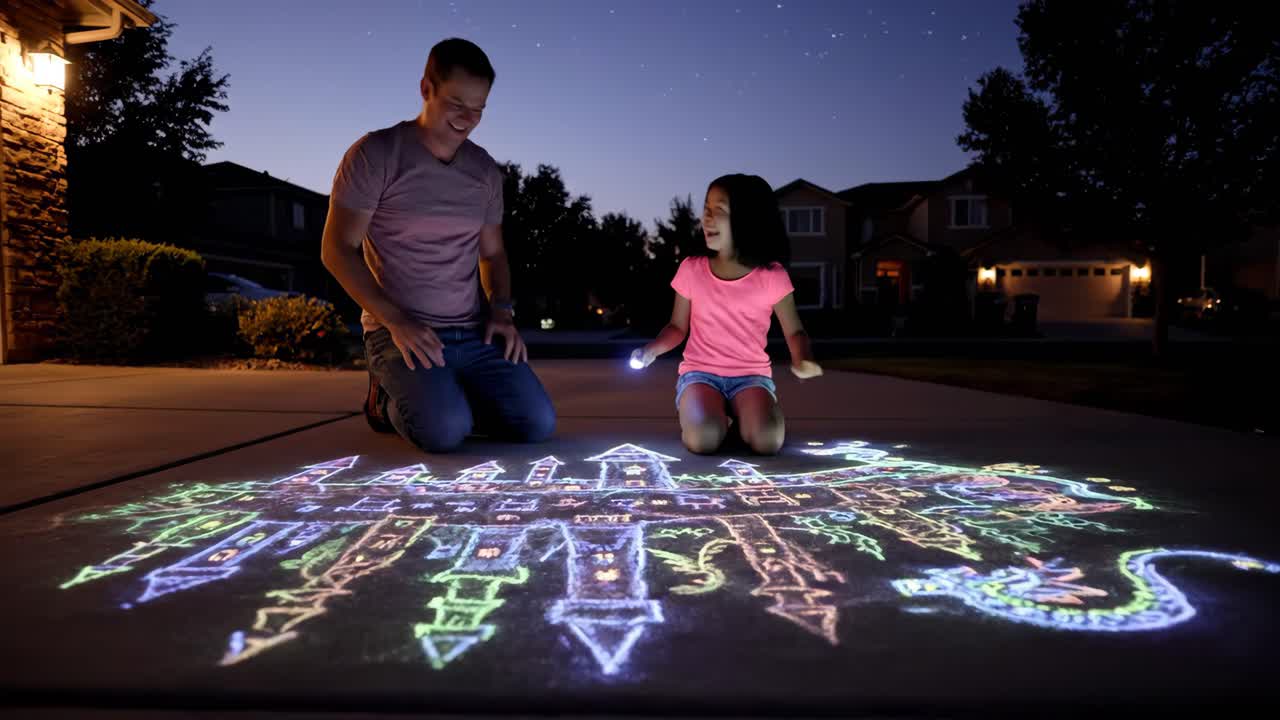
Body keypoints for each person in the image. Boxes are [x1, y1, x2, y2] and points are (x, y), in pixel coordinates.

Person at [321, 38, 556, 453]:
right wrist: (396, 321)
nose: (468, 118)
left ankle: (451, 395)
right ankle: (385, 400)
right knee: (444, 433)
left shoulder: (483, 171)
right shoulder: (375, 155)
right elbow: (337, 250)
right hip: (401, 332)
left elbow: (493, 253)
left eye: (479, 108)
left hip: (473, 331)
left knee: (536, 423)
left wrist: (501, 312)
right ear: (426, 88)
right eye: (457, 103)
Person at [630, 174, 822, 456]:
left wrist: (802, 359)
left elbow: (794, 330)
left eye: (718, 211)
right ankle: (712, 420)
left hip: (751, 377)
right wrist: (650, 351)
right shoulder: (692, 269)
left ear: (747, 219)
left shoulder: (772, 276)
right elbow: (676, 327)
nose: (707, 218)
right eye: (706, 210)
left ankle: (751, 418)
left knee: (767, 442)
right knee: (702, 440)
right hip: (700, 376)